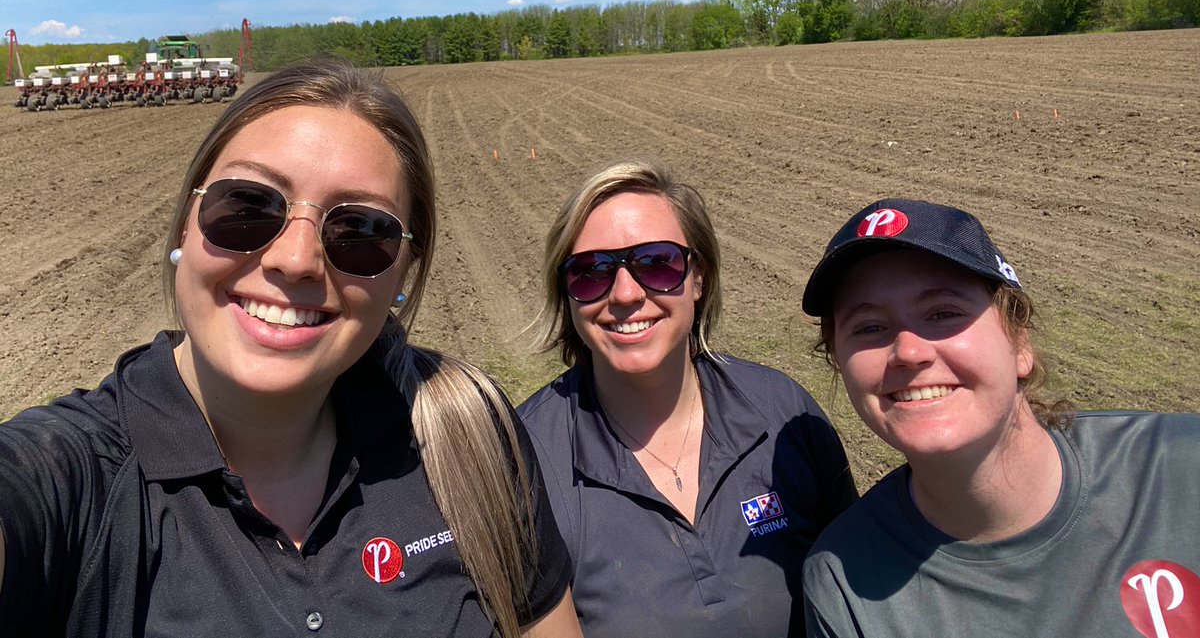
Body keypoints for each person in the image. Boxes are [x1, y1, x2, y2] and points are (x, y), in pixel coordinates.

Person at [0, 58, 579, 638]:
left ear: (404, 268)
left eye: (361, 231)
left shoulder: (467, 436)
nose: (295, 259)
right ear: (184, 226)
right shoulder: (70, 479)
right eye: (248, 206)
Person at [800, 198, 1200, 638]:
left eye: (943, 314)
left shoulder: (1181, 469)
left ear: (1020, 344)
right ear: (840, 362)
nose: (909, 352)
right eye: (869, 327)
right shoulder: (843, 581)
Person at [518, 160, 857, 638]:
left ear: (699, 278)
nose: (625, 293)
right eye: (591, 272)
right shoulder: (525, 460)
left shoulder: (785, 415)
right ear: (567, 294)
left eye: (657, 262)